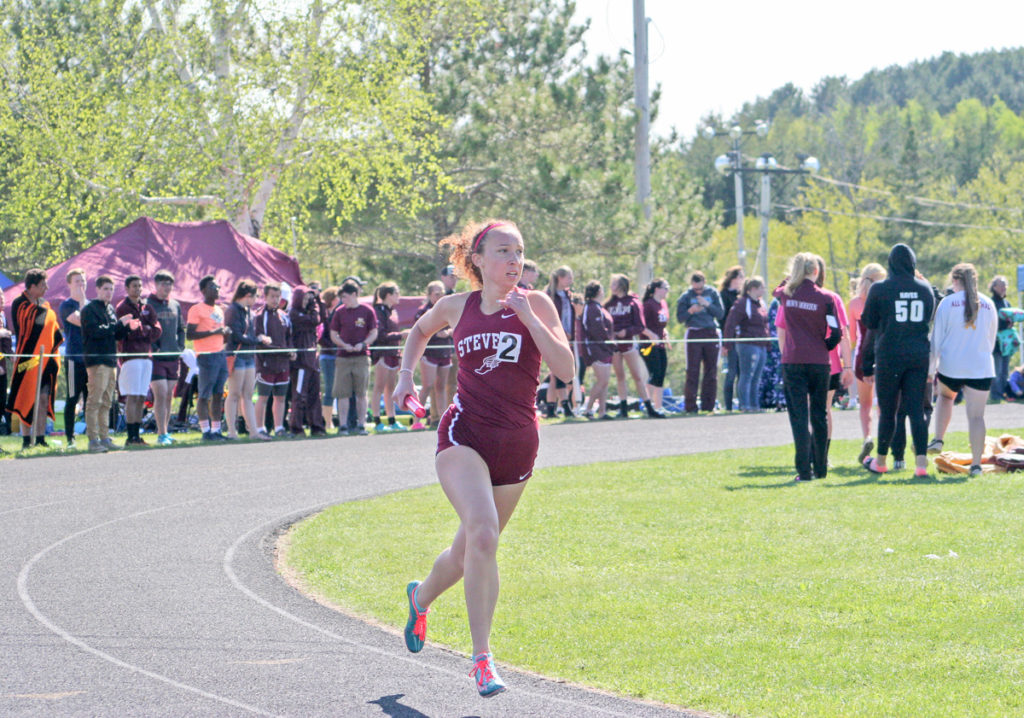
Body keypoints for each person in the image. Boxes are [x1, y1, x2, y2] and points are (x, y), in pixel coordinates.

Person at [391, 219, 573, 697]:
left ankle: (421, 597)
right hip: (464, 433)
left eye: (519, 251)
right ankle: (481, 659)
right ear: (478, 259)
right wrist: (405, 376)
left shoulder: (538, 303)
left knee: (468, 551)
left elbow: (567, 370)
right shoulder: (456, 306)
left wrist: (531, 319)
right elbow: (418, 330)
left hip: (517, 442)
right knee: (484, 533)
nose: (514, 261)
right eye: (503, 251)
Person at [859, 244, 936, 477]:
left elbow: (869, 323)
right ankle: (921, 465)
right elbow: (928, 319)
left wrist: (866, 362)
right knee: (916, 410)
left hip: (889, 356)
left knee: (888, 410)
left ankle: (881, 461)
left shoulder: (880, 288)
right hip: (918, 355)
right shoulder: (925, 289)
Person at [775, 253, 846, 481]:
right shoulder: (826, 298)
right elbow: (836, 332)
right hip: (819, 361)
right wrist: (825, 346)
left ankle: (804, 470)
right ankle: (821, 468)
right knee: (820, 414)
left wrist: (791, 278)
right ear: (816, 271)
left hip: (794, 360)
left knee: (798, 416)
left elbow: (777, 289)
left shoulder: (786, 295)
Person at [928, 263, 999, 476]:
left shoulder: (947, 303)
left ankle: (938, 438)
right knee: (977, 417)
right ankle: (976, 465)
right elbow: (991, 339)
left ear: (956, 280)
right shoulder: (988, 303)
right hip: (981, 367)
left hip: (952, 366)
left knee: (946, 397)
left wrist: (931, 368)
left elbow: (936, 339)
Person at [7, 269, 64, 448]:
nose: (46, 288)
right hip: (27, 359)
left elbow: (52, 326)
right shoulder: (19, 303)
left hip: (45, 360)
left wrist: (47, 313)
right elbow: (29, 322)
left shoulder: (44, 304)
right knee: (26, 398)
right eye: (42, 285)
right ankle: (26, 440)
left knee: (42, 399)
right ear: (32, 287)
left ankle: (40, 439)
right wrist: (47, 313)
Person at [81, 275, 132, 452]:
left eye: (111, 289)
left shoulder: (110, 309)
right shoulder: (89, 309)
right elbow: (95, 332)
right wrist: (118, 324)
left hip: (111, 359)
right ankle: (93, 439)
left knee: (107, 401)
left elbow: (115, 334)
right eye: (105, 289)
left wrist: (125, 327)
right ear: (97, 289)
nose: (109, 293)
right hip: (97, 360)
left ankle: (104, 437)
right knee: (94, 400)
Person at [605, 274, 662, 418]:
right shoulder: (609, 304)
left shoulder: (633, 302)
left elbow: (640, 326)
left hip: (628, 343)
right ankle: (623, 408)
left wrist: (627, 332)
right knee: (620, 376)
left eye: (614, 283)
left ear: (621, 286)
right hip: (615, 344)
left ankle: (649, 407)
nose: (611, 286)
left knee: (637, 376)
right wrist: (611, 334)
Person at [847, 263, 888, 463]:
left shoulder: (855, 303)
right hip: (884, 355)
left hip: (863, 357)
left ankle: (867, 438)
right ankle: (883, 442)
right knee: (883, 404)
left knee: (865, 405)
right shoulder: (886, 298)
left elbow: (853, 338)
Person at [115, 275, 161, 446]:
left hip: (146, 356)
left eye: (140, 286)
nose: (138, 289)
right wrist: (144, 330)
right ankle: (131, 436)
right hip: (131, 357)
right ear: (127, 288)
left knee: (142, 397)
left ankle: (137, 435)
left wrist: (143, 329)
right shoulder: (122, 308)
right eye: (134, 286)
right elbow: (130, 332)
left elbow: (157, 330)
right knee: (132, 397)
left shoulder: (147, 307)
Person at [186, 275, 232, 441]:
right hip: (206, 356)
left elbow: (219, 333)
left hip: (220, 354)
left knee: (219, 393)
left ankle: (216, 430)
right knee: (204, 394)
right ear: (204, 290)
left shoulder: (219, 310)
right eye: (213, 287)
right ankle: (205, 431)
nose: (217, 290)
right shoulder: (196, 309)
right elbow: (190, 334)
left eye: (218, 287)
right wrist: (214, 332)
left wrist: (225, 334)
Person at [224, 280, 270, 441]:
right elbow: (236, 335)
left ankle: (254, 431)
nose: (256, 299)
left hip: (249, 356)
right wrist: (257, 340)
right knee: (234, 393)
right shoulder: (232, 310)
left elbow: (248, 335)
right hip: (236, 356)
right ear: (248, 295)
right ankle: (231, 431)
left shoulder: (249, 312)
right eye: (255, 296)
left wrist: (255, 340)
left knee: (248, 395)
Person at [330, 281, 377, 436]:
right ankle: (343, 426)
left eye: (345, 297)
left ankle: (361, 425)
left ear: (354, 295)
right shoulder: (339, 312)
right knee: (342, 393)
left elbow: (373, 332)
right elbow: (333, 334)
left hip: (361, 357)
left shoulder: (367, 311)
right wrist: (343, 345)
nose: (343, 300)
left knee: (361, 393)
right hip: (343, 357)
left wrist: (363, 344)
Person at [676, 270, 725, 414]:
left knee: (711, 371)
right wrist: (691, 311)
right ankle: (690, 406)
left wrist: (707, 305)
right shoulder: (686, 296)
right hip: (694, 332)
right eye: (695, 288)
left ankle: (708, 406)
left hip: (710, 332)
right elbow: (680, 318)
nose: (697, 291)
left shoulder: (713, 293)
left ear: (704, 283)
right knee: (692, 370)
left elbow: (721, 314)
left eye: (700, 288)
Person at [147, 269, 186, 446]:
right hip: (156, 358)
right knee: (160, 394)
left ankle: (166, 431)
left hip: (173, 356)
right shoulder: (148, 304)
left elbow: (181, 328)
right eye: (163, 283)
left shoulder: (175, 305)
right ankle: (161, 433)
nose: (166, 287)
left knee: (169, 395)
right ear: (156, 285)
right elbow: (145, 329)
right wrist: (154, 348)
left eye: (169, 283)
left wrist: (181, 347)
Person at [722, 276, 770, 412]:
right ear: (752, 289)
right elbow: (730, 324)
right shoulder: (742, 303)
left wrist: (768, 343)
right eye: (761, 287)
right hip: (747, 343)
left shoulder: (761, 304)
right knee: (747, 374)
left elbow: (766, 324)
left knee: (757, 376)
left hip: (761, 344)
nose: (764, 290)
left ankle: (755, 405)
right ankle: (745, 405)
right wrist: (728, 344)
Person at [254, 282, 293, 437]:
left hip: (283, 363)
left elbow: (289, 337)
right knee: (263, 397)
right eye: (272, 296)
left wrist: (291, 350)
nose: (275, 300)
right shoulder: (259, 315)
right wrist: (263, 340)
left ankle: (279, 428)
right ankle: (259, 428)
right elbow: (257, 337)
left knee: (281, 397)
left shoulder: (284, 316)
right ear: (265, 297)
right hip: (266, 363)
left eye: (278, 297)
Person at [288, 285, 326, 436]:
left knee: (315, 396)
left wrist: (317, 300)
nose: (306, 302)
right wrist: (314, 307)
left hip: (312, 360)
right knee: (299, 395)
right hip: (301, 362)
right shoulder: (294, 314)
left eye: (308, 299)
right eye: (304, 299)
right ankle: (296, 428)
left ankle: (317, 427)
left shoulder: (310, 312)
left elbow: (322, 317)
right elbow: (315, 320)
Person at [369, 281, 408, 432]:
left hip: (393, 354)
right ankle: (377, 421)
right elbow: (380, 335)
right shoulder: (378, 311)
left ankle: (392, 420)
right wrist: (401, 334)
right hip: (382, 354)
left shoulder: (393, 312)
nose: (399, 296)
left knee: (391, 389)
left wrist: (398, 351)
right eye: (397, 293)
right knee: (378, 387)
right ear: (388, 295)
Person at [415, 281, 452, 428]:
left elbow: (455, 326)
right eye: (437, 294)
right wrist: (437, 333)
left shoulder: (448, 309)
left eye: (442, 293)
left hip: (444, 352)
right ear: (430, 295)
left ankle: (443, 421)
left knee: (441, 387)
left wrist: (448, 333)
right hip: (429, 353)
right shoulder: (423, 311)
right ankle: (417, 421)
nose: (440, 296)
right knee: (427, 386)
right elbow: (419, 330)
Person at [58, 268, 88, 448]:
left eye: (83, 281)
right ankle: (70, 438)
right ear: (69, 284)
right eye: (77, 281)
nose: (81, 284)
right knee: (72, 398)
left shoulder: (91, 304)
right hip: (72, 360)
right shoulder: (66, 305)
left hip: (90, 361)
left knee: (91, 399)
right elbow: (81, 321)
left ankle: (94, 436)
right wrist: (83, 302)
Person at [543, 266, 576, 418]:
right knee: (557, 372)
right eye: (568, 277)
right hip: (554, 336)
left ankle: (552, 407)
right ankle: (565, 405)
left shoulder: (569, 295)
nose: (571, 280)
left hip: (568, 337)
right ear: (559, 278)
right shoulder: (549, 295)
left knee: (556, 373)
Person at [580, 279, 615, 419]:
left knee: (605, 382)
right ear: (599, 291)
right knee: (602, 380)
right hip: (596, 348)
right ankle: (588, 409)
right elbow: (597, 331)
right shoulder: (592, 308)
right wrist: (609, 344)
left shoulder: (599, 307)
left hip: (604, 348)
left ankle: (602, 411)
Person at [640, 278, 671, 412]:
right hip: (649, 345)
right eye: (665, 287)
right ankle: (647, 405)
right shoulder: (648, 305)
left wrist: (665, 334)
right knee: (655, 373)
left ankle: (658, 407)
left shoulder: (663, 304)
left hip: (660, 344)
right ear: (656, 289)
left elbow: (661, 324)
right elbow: (641, 326)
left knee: (661, 375)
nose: (667, 290)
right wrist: (651, 335)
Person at [718, 265, 745, 411]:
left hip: (742, 339)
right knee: (731, 372)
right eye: (741, 276)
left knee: (742, 373)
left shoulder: (742, 296)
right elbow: (723, 321)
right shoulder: (723, 295)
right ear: (734, 278)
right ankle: (728, 406)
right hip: (730, 340)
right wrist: (724, 342)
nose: (743, 279)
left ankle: (742, 404)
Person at [317, 286, 340, 430]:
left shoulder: (338, 314)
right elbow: (321, 337)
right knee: (330, 388)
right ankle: (327, 421)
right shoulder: (323, 315)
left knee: (339, 389)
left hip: (339, 355)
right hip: (327, 356)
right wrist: (333, 345)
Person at [989, 275, 1012, 403]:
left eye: (1005, 285)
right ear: (994, 287)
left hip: (1007, 343)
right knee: (996, 370)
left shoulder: (1006, 303)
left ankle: (1002, 393)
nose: (1004, 287)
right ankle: (995, 395)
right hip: (996, 343)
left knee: (1004, 371)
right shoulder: (991, 302)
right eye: (1001, 285)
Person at [0, 290, 11, 437]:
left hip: (2, 366)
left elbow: (6, 343)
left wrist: (12, 356)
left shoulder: (3, 315)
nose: (1, 299)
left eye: (2, 296)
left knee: (2, 400)